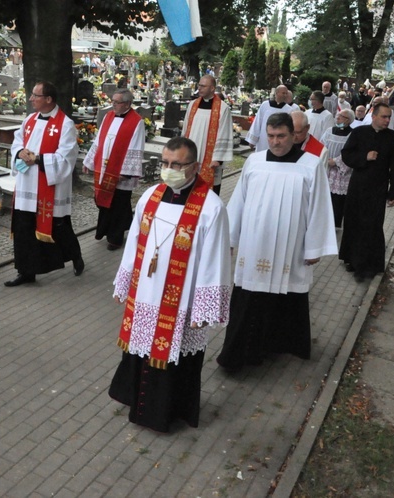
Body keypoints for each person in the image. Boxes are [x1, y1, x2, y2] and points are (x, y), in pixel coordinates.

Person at [108, 137, 231, 432]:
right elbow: (134, 243)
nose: (169, 169)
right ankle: (135, 401)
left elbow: (215, 261)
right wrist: (124, 283)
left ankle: (167, 413)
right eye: (165, 163)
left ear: (195, 166)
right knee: (140, 352)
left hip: (182, 303)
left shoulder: (211, 208)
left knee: (176, 361)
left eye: (177, 164)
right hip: (146, 294)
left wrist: (203, 310)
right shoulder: (150, 196)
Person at [217, 113, 337, 371]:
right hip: (253, 247)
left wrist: (314, 246)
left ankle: (280, 345)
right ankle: (238, 355)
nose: (275, 142)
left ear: (294, 136)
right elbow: (238, 201)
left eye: (281, 136)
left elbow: (319, 208)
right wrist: (229, 238)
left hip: (289, 249)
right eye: (270, 136)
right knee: (248, 298)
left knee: (286, 295)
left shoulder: (311, 165)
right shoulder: (254, 162)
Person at [5, 81, 84, 286]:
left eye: (35, 95)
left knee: (58, 229)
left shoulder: (65, 124)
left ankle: (75, 255)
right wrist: (19, 152)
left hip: (49, 185)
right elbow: (17, 142)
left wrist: (38, 159)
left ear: (48, 99)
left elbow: (67, 156)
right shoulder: (29, 119)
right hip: (26, 184)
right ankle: (26, 272)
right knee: (24, 229)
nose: (31, 99)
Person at [339, 103, 394, 283]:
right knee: (353, 221)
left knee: (372, 225)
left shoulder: (392, 137)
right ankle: (351, 258)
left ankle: (367, 264)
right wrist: (364, 158)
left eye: (389, 117)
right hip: (358, 186)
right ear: (373, 116)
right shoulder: (359, 133)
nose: (387, 120)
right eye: (384, 116)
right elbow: (346, 155)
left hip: (378, 188)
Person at [83, 89, 145, 250]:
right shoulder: (109, 116)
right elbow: (99, 140)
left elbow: (136, 146)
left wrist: (126, 172)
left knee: (119, 203)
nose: (113, 105)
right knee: (103, 202)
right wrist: (89, 162)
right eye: (113, 101)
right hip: (104, 168)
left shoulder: (136, 121)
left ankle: (115, 238)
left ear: (127, 104)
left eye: (117, 102)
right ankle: (107, 230)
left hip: (121, 172)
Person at [182, 75, 233, 195]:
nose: (199, 88)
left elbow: (224, 132)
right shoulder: (192, 105)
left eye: (203, 86)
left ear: (212, 88)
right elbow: (185, 128)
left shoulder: (222, 108)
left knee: (208, 195)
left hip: (210, 158)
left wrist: (218, 159)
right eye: (199, 85)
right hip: (191, 154)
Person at [319, 109, 355, 228]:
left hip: (342, 173)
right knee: (325, 197)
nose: (337, 118)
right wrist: (326, 159)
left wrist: (335, 161)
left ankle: (335, 225)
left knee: (338, 201)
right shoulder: (330, 131)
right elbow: (321, 145)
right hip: (327, 170)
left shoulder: (353, 134)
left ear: (348, 120)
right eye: (337, 115)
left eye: (341, 116)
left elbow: (352, 152)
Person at [245, 85, 295, 152]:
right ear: (276, 93)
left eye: (286, 93)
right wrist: (252, 140)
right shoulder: (265, 105)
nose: (285, 95)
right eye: (283, 93)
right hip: (263, 140)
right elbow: (257, 122)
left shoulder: (289, 110)